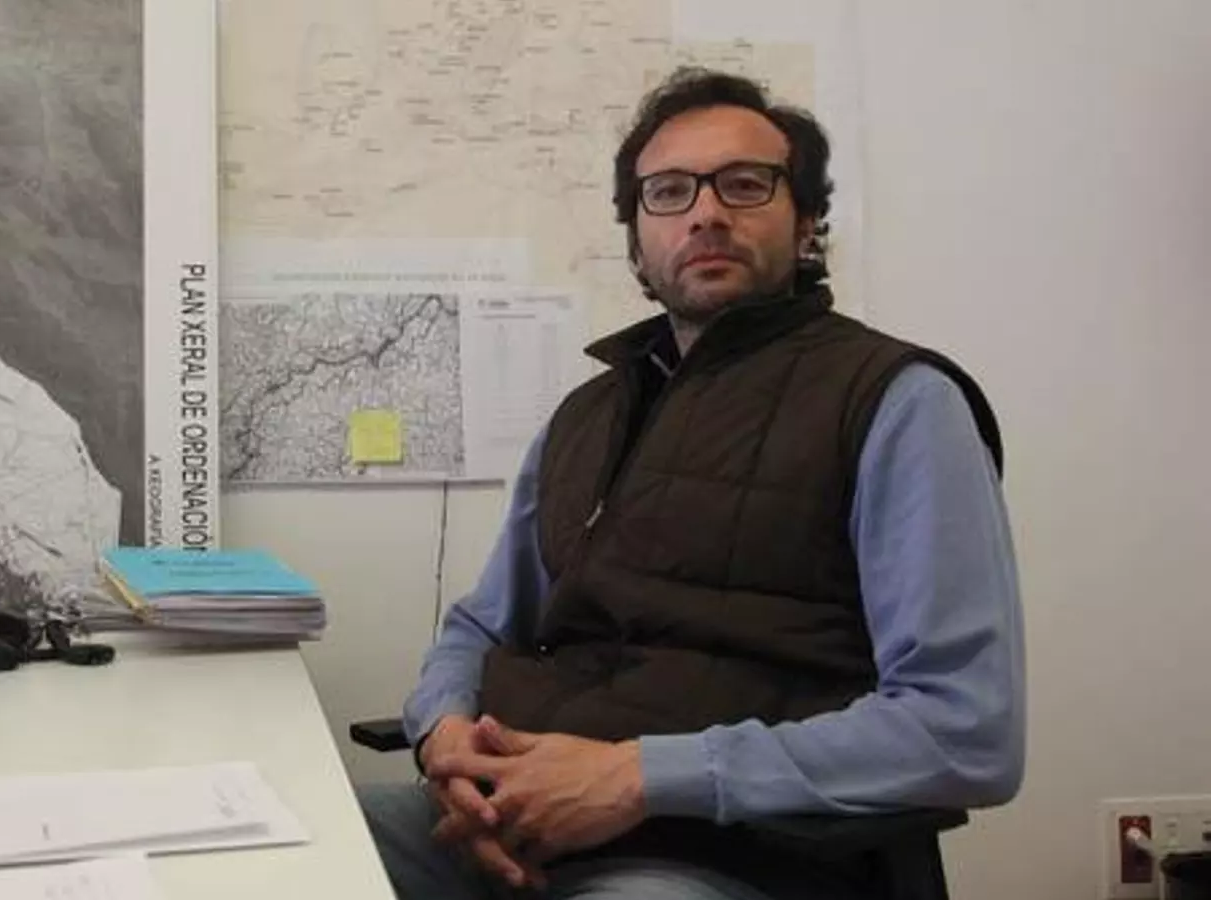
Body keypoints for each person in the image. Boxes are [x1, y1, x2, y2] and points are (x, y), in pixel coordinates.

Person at [358, 67, 1025, 900]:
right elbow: (480, 624)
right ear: (637, 242)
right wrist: (444, 733)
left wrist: (637, 777)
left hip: (725, 853)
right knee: (263, 848)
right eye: (669, 192)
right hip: (506, 816)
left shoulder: (898, 403)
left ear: (807, 223)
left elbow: (965, 729)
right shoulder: (585, 416)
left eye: (744, 185)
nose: (706, 213)